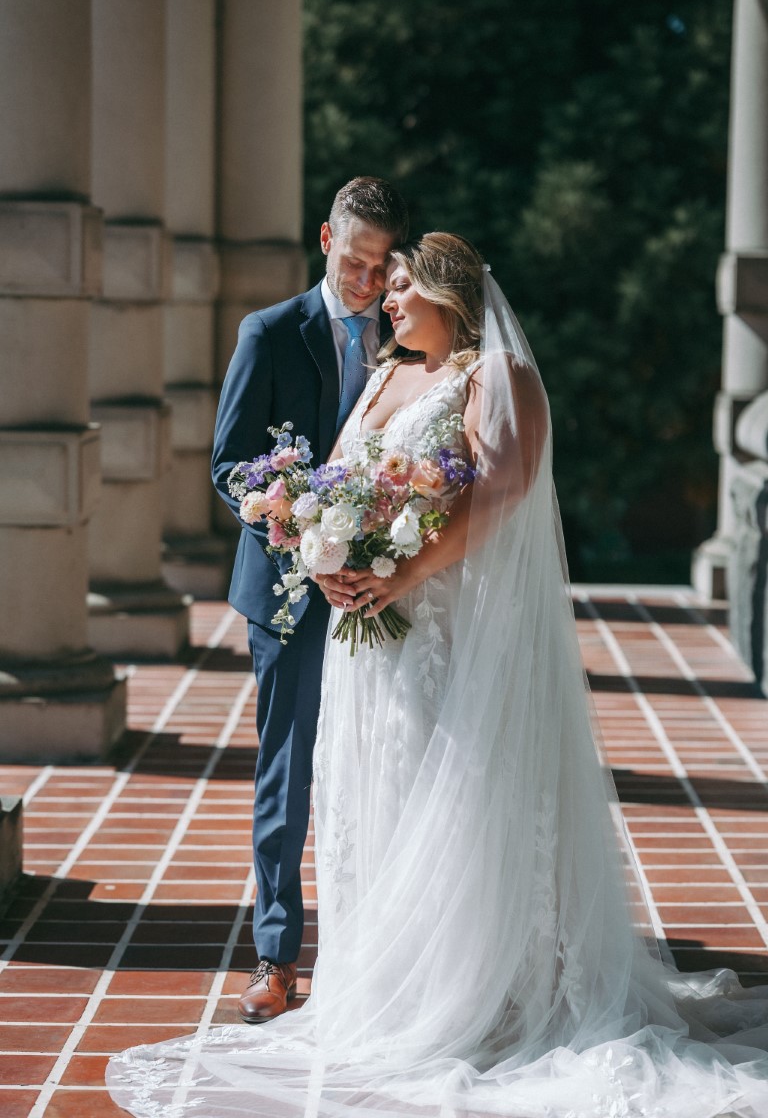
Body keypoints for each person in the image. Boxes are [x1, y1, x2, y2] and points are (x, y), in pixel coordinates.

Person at [109, 234, 768, 1117]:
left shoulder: (497, 376)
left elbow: (504, 496)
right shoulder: (386, 376)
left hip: (446, 633)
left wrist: (400, 575)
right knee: (382, 797)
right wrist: (328, 553)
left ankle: (487, 995)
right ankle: (396, 987)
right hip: (371, 639)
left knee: (457, 799)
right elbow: (345, 484)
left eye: (403, 281)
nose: (385, 294)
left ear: (449, 291)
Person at [209, 176, 408, 1023]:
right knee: (287, 771)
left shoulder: (410, 340)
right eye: (355, 264)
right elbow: (229, 467)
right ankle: (276, 955)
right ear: (326, 241)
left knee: (386, 766)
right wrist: (303, 535)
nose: (366, 284)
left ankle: (385, 956)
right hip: (292, 588)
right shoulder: (268, 333)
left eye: (380, 269)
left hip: (384, 589)